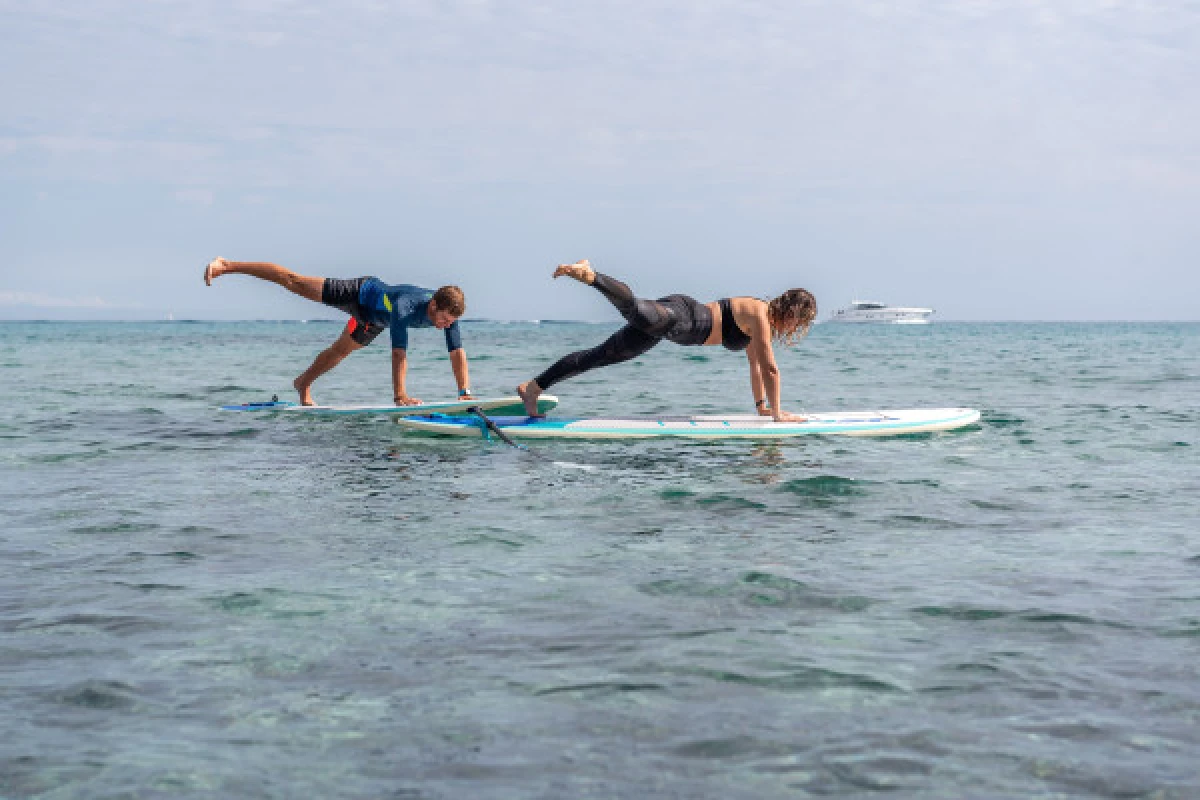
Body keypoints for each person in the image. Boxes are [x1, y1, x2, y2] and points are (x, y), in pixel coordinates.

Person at [515, 260, 816, 421]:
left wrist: (762, 406)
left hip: (673, 330)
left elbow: (756, 367)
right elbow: (771, 369)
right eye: (799, 321)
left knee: (600, 355)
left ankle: (532, 388)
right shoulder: (760, 314)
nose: (796, 328)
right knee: (635, 308)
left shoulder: (759, 322)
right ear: (791, 313)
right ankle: (591, 276)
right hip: (682, 317)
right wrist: (778, 416)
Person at [203, 257, 472, 406]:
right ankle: (227, 266)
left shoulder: (450, 315)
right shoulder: (405, 307)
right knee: (293, 282)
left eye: (450, 322)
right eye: (444, 319)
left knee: (340, 352)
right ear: (434, 304)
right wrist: (400, 396)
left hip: (374, 320)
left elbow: (457, 354)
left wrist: (464, 392)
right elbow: (399, 354)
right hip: (359, 293)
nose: (447, 325)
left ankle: (303, 383)